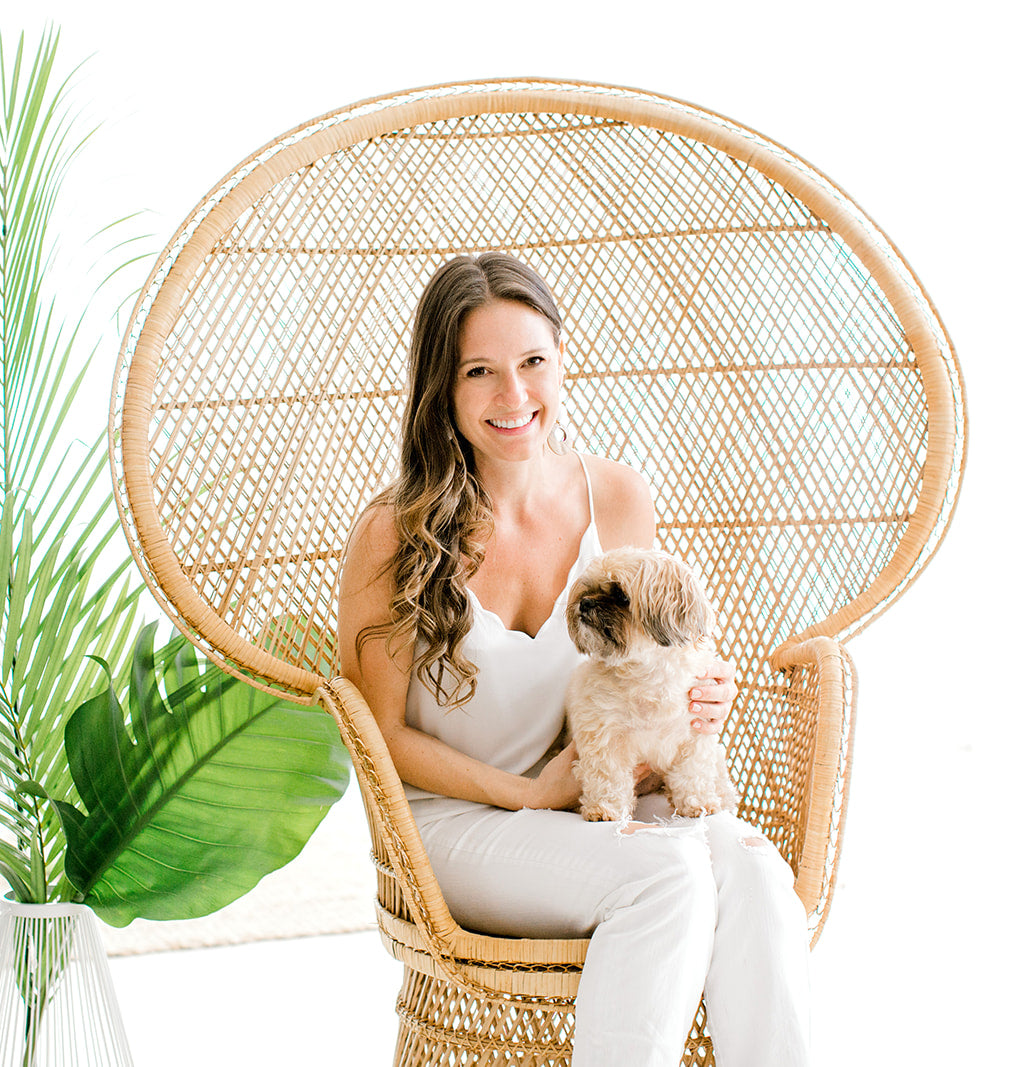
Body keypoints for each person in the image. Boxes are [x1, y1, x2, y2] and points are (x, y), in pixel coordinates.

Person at [337, 252, 812, 1067]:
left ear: (563, 358)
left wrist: (701, 691)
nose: (513, 396)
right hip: (453, 827)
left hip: (590, 803)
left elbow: (661, 652)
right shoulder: (393, 533)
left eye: (532, 363)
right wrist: (526, 791)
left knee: (757, 877)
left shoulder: (615, 495)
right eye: (479, 371)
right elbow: (376, 737)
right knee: (667, 879)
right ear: (441, 390)